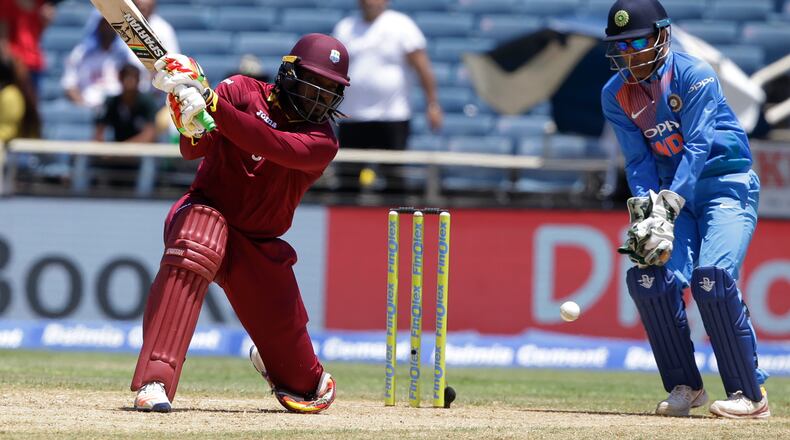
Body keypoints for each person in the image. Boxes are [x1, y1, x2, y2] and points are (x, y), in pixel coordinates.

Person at [130, 33, 349, 413]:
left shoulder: (322, 140)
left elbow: (271, 143)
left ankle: (274, 360)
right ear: (289, 73)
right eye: (314, 86)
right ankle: (155, 380)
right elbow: (190, 149)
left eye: (330, 92)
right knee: (200, 235)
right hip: (205, 210)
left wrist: (211, 102)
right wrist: (189, 111)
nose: (319, 99)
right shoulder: (241, 91)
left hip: (259, 246)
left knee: (304, 387)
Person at [602, 0, 769, 419]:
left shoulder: (695, 76)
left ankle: (750, 395)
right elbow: (638, 162)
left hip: (725, 186)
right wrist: (646, 213)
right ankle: (685, 387)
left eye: (637, 41)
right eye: (621, 45)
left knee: (711, 278)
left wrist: (669, 204)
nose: (630, 53)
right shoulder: (615, 95)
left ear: (662, 35)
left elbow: (696, 148)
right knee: (647, 278)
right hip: (672, 199)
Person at [332, 0, 442, 194]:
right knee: (347, 182)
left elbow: (422, 67)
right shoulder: (345, 28)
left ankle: (393, 222)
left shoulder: (401, 26)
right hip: (352, 116)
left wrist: (432, 104)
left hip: (392, 116)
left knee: (394, 180)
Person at [61, 14, 130, 109]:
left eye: (112, 24)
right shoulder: (80, 53)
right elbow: (69, 85)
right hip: (88, 108)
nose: (108, 28)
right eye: (104, 24)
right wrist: (83, 106)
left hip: (117, 110)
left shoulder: (125, 54)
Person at [94, 64, 157, 143]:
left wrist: (125, 150)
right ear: (120, 78)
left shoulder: (147, 102)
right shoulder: (111, 102)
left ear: (138, 80)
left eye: (134, 77)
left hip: (141, 150)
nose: (130, 81)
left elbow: (150, 134)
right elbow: (98, 133)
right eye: (127, 77)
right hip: (116, 150)